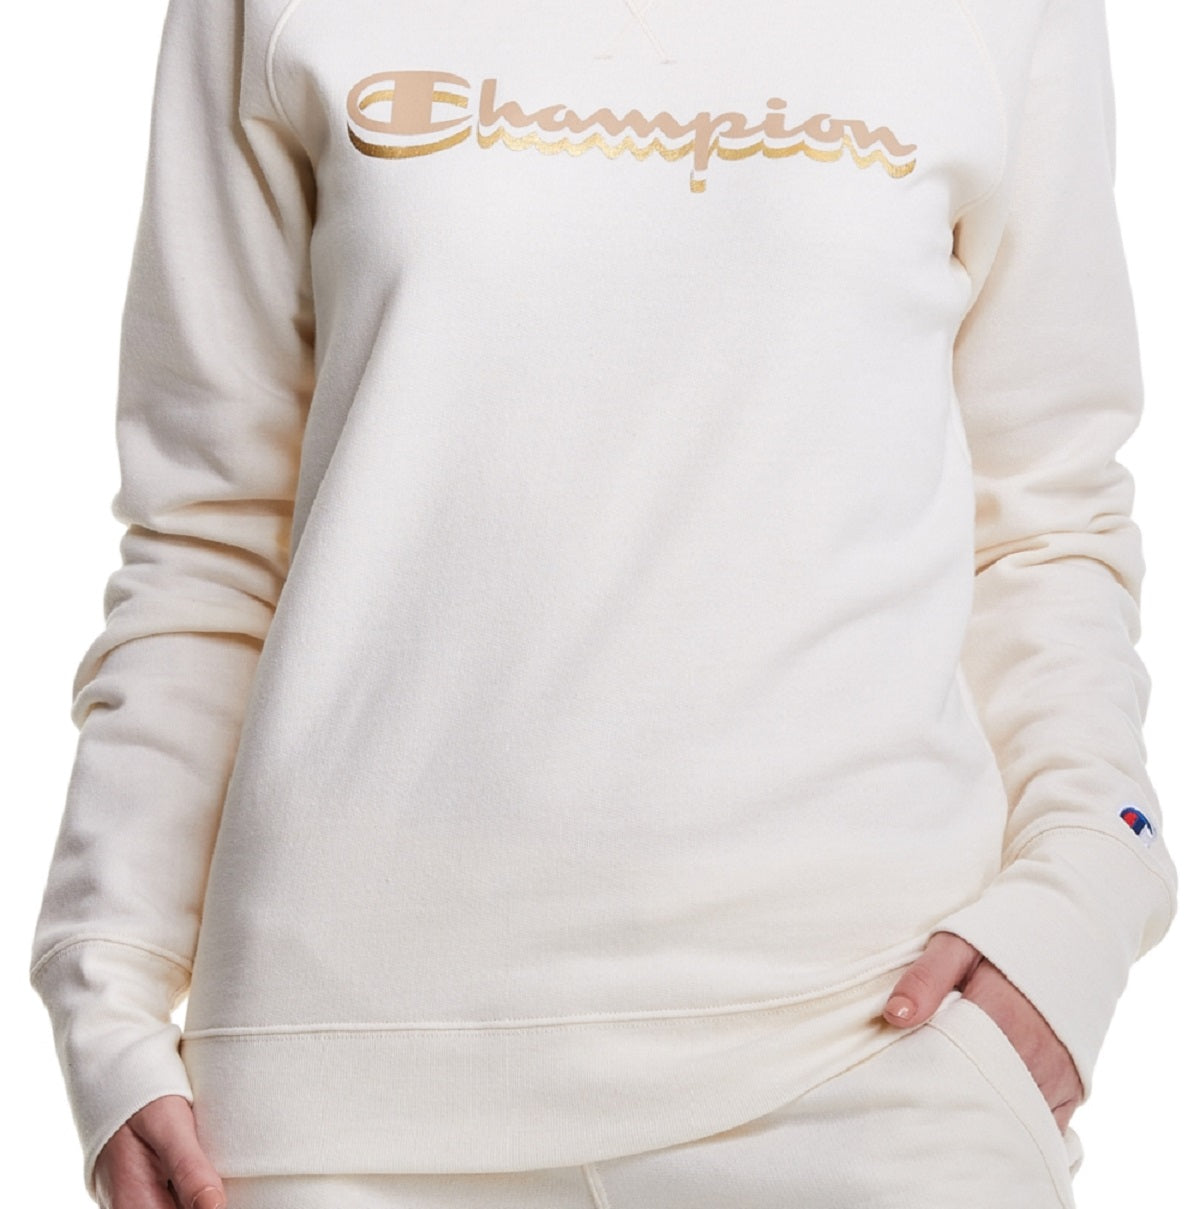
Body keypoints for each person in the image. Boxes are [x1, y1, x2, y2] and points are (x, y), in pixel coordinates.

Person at [29, 1, 1179, 1207]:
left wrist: (1093, 885)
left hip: (873, 1045)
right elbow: (211, 535)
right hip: (345, 1089)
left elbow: (1045, 520)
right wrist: (104, 979)